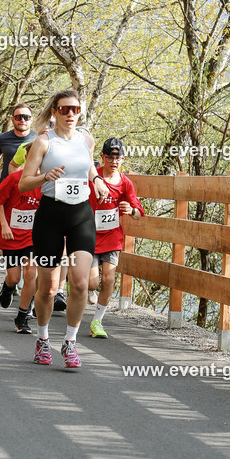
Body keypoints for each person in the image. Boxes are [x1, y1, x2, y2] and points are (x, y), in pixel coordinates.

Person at [19, 88, 109, 370]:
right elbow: (24, 182)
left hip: (81, 215)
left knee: (81, 283)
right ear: (54, 112)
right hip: (50, 217)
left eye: (75, 109)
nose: (70, 114)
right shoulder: (44, 143)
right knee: (46, 289)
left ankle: (70, 342)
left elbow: (90, 168)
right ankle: (43, 339)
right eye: (64, 109)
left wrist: (97, 180)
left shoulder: (86, 139)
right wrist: (45, 176)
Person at [88, 137, 144, 338]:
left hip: (112, 237)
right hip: (89, 235)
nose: (114, 161)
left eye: (118, 157)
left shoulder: (125, 183)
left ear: (123, 159)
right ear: (102, 158)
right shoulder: (92, 178)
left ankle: (97, 322)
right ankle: (73, 279)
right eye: (110, 157)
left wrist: (130, 210)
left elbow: (138, 211)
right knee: (92, 283)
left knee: (109, 279)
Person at [0, 142, 41, 334]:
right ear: (27, 159)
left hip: (32, 236)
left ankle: (22, 317)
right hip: (10, 233)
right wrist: (4, 225)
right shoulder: (13, 179)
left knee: (30, 274)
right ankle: (8, 286)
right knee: (14, 277)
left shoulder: (45, 183)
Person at [0, 103, 36, 186]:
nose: (22, 120)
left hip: (29, 187)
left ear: (31, 120)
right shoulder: (3, 138)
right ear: (12, 120)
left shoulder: (38, 139)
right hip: (7, 185)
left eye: (26, 117)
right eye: (18, 117)